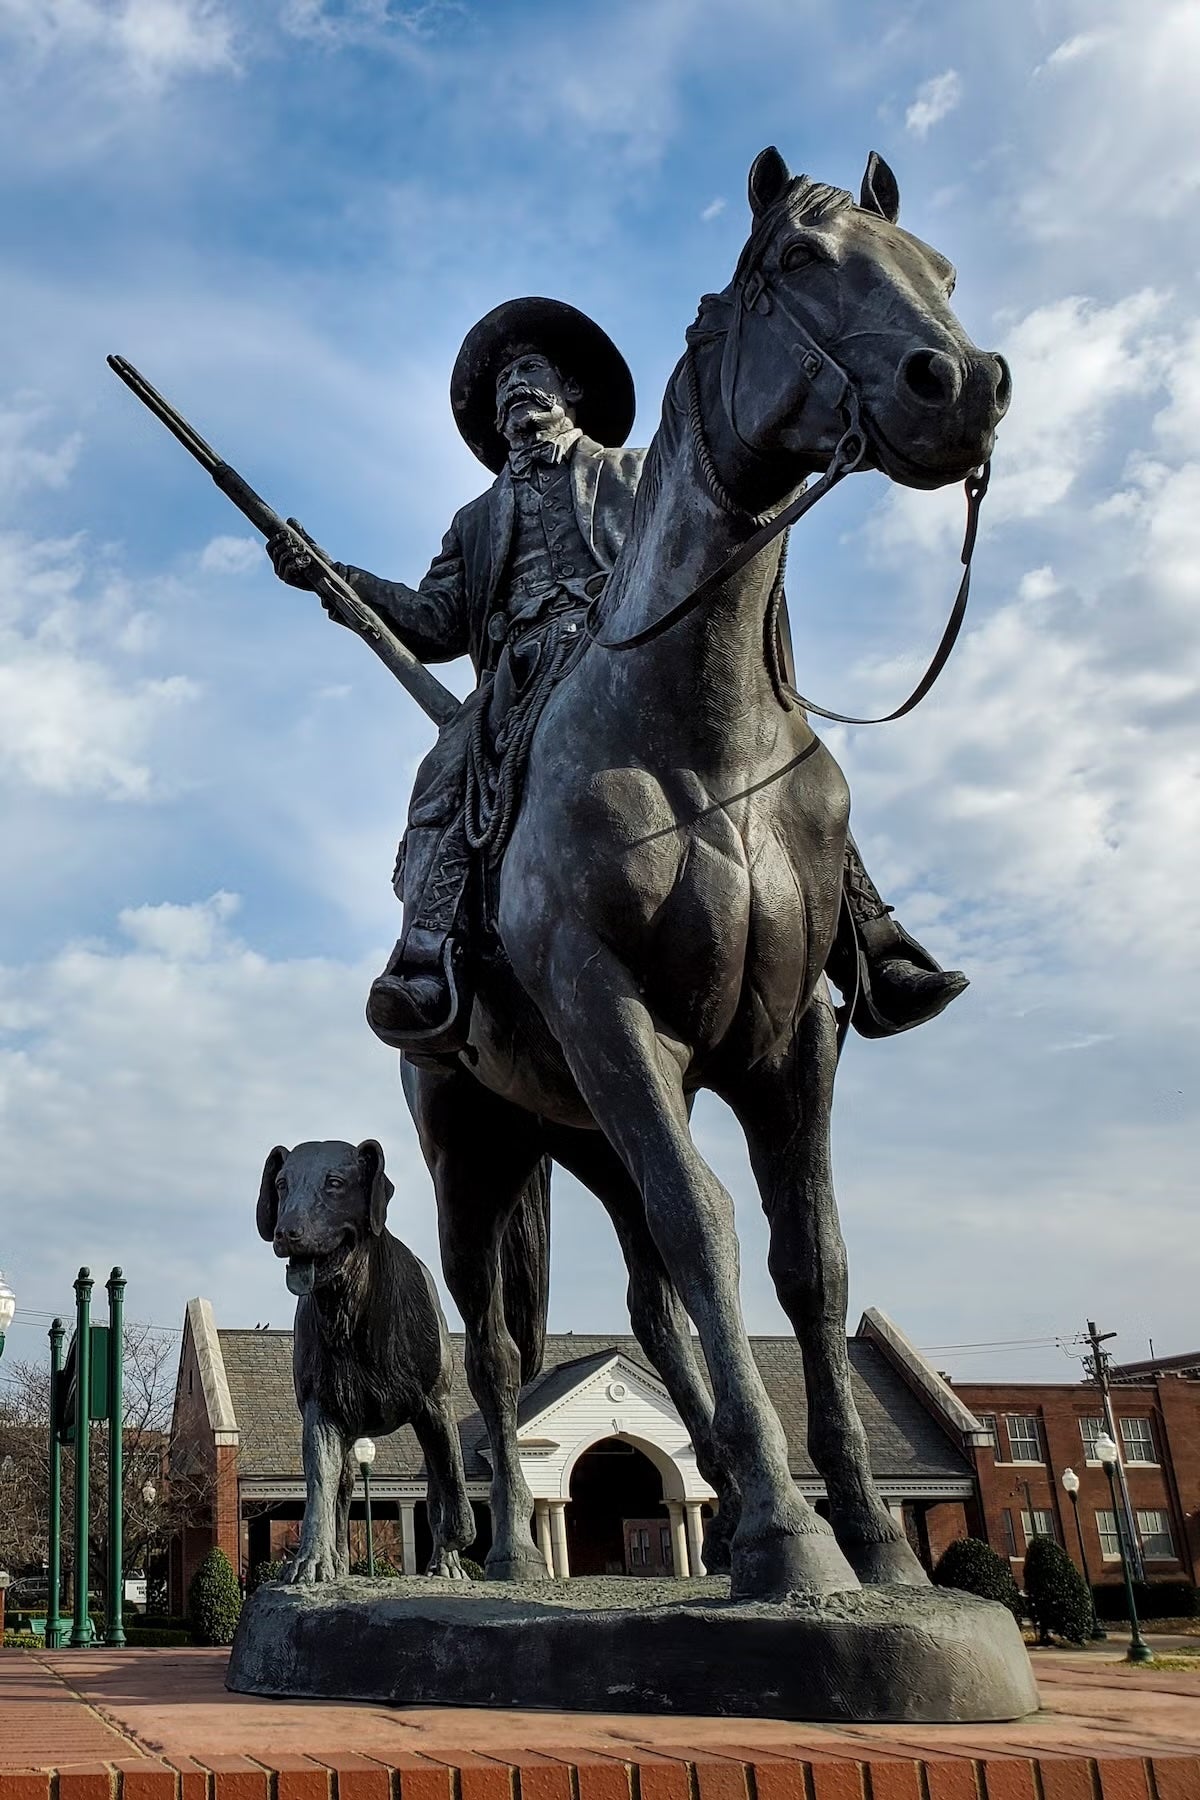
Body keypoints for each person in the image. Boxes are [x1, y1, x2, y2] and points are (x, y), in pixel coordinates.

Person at [269, 296, 965, 1055]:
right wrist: (335, 579)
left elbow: (703, 540)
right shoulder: (474, 520)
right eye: (502, 384)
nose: (513, 389)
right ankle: (427, 953)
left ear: (570, 392)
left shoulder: (640, 473)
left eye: (529, 372)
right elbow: (434, 621)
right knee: (442, 771)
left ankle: (872, 942)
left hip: (633, 645)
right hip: (527, 675)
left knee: (775, 761)